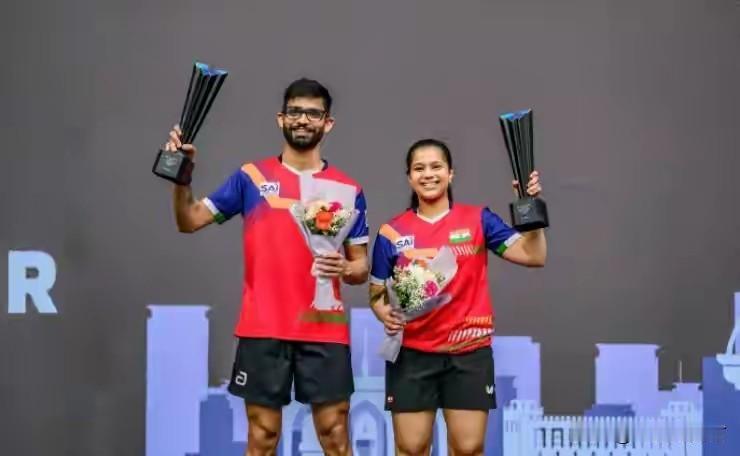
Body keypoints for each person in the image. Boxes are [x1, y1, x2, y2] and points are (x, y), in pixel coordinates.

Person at [163, 78, 369, 456]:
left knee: (336, 434)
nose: (302, 119)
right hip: (264, 327)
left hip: (324, 328)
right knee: (262, 436)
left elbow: (361, 269)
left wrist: (344, 267)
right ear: (281, 119)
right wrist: (182, 176)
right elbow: (188, 220)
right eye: (295, 111)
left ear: (328, 123)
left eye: (313, 113)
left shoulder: (348, 189)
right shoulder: (251, 178)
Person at [368, 138, 546, 456]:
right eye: (419, 168)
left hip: (468, 354)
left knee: (468, 448)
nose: (428, 174)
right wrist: (385, 314)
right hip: (412, 355)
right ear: (409, 177)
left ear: (450, 173)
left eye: (436, 166)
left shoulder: (478, 219)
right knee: (410, 448)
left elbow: (534, 255)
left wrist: (530, 207)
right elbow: (377, 293)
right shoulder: (391, 232)